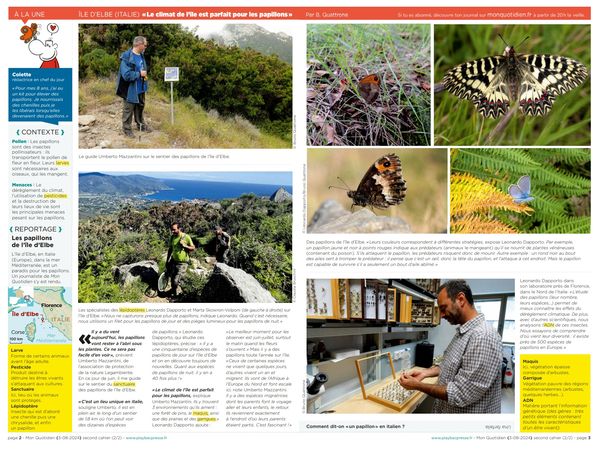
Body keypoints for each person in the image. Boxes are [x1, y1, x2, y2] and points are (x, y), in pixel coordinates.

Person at [399, 280, 503, 413]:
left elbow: (460, 394)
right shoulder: (463, 332)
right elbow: (449, 365)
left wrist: (418, 386)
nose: (441, 315)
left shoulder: (482, 337)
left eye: (443, 308)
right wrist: (426, 372)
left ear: (460, 299)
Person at [116, 35, 152, 137]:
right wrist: (139, 74)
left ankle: (141, 125)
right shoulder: (126, 57)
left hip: (141, 87)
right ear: (139, 44)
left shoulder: (141, 55)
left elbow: (142, 68)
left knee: (140, 107)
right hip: (130, 89)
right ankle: (127, 130)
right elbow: (126, 75)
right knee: (128, 110)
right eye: (144, 45)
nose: (145, 47)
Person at [165, 222, 195, 297]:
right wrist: (167, 260)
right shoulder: (172, 237)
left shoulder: (186, 237)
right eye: (171, 230)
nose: (172, 231)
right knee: (172, 278)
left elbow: (193, 248)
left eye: (174, 230)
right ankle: (174, 292)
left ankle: (187, 294)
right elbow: (170, 249)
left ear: (179, 229)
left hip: (183, 263)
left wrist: (185, 246)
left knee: (177, 280)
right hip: (173, 261)